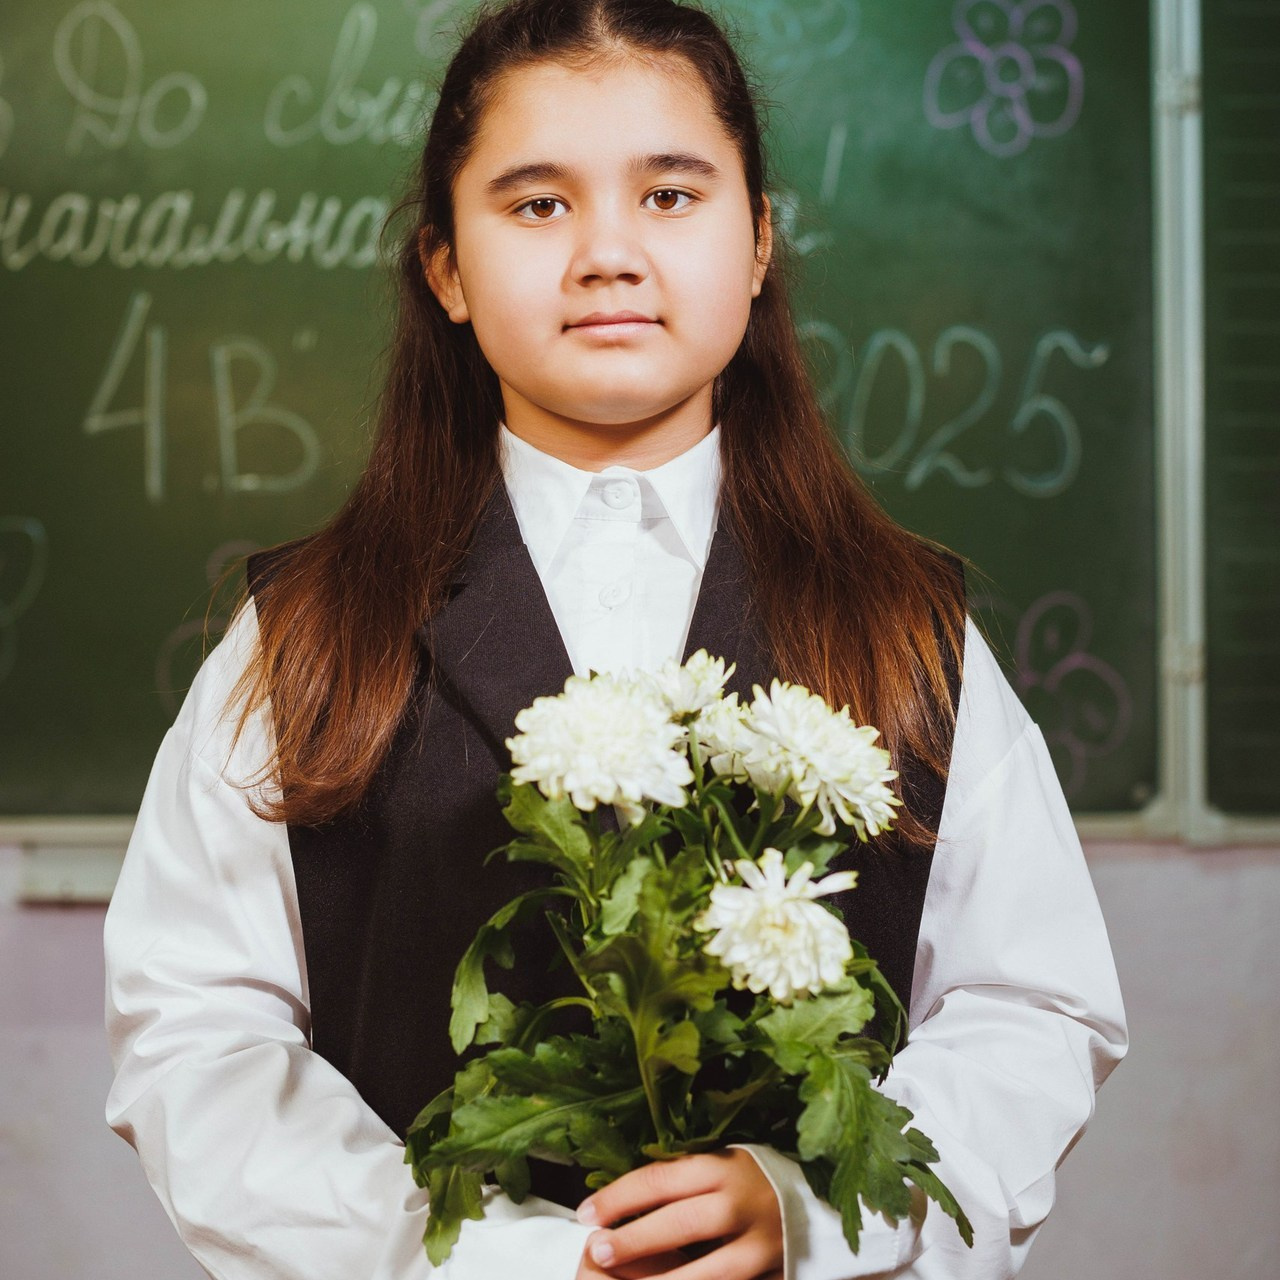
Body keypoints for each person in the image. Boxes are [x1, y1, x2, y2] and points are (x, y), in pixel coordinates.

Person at [103, 2, 1128, 1278]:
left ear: (757, 244)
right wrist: (495, 1257)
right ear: (445, 268)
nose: (606, 254)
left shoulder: (899, 625)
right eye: (537, 205)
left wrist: (815, 1212)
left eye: (669, 196)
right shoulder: (308, 636)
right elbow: (199, 1031)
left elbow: (1027, 1001)